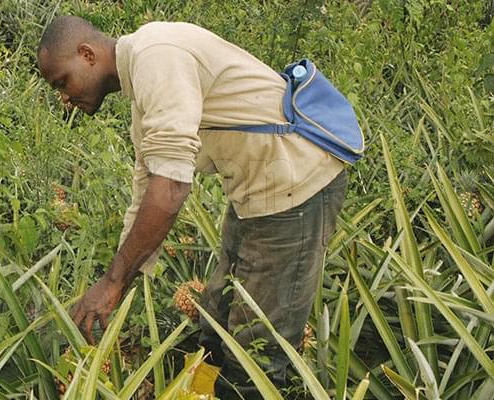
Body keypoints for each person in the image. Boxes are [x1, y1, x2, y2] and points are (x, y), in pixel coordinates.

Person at [36, 16, 348, 398]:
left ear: (87, 54)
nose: (64, 98)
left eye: (62, 83)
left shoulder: (157, 56)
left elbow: (170, 188)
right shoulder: (144, 84)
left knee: (255, 355)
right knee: (215, 323)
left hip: (297, 187)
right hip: (256, 190)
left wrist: (113, 282)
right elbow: (145, 192)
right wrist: (118, 286)